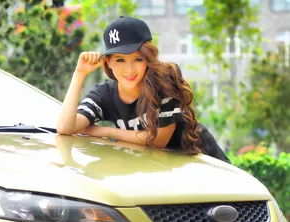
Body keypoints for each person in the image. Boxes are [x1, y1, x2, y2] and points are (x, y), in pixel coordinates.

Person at [55, 16, 230, 163]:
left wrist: (105, 131)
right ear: (108, 62)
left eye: (138, 59)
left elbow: (158, 141)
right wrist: (79, 74)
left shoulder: (163, 84)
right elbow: (65, 128)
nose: (129, 70)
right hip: (164, 169)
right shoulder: (104, 94)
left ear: (148, 58)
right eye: (120, 60)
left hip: (203, 160)